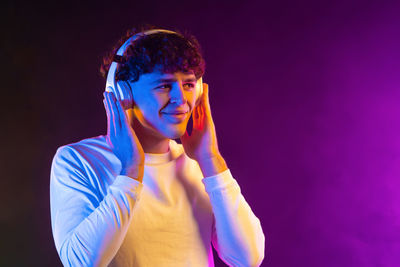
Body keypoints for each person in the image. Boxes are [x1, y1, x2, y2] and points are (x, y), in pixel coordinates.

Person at [50, 26, 265, 267]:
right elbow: (79, 263)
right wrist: (131, 172)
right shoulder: (77, 160)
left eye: (189, 84)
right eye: (164, 86)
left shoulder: (199, 166)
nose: (181, 99)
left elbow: (247, 258)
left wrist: (211, 160)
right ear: (123, 93)